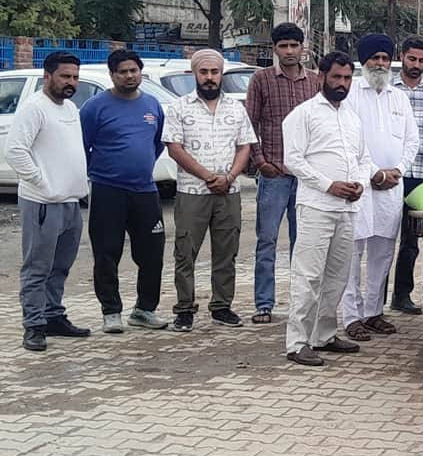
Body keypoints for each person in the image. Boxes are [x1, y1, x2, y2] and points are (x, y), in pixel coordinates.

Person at [283, 51, 369, 366]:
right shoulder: (303, 114)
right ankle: (297, 343)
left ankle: (324, 335)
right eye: (336, 77)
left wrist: (360, 183)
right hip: (316, 206)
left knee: (337, 276)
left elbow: (364, 159)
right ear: (322, 76)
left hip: (347, 208)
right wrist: (328, 184)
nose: (342, 83)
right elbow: (292, 160)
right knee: (308, 275)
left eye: (347, 78)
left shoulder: (352, 117)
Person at [163, 49, 257, 332]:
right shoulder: (179, 107)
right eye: (203, 72)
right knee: (185, 252)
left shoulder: (236, 108)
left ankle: (221, 306)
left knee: (227, 252)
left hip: (228, 191)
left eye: (214, 72)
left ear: (221, 74)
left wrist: (228, 177)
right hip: (193, 191)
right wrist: (207, 176)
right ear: (194, 74)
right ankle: (184, 309)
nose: (209, 78)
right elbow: (174, 148)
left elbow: (245, 146)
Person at [6, 52, 91, 351]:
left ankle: (54, 316)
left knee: (60, 267)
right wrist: (44, 183)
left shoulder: (70, 107)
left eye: (75, 77)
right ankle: (34, 325)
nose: (71, 82)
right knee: (37, 268)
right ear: (48, 76)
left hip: (70, 202)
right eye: (65, 76)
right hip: (43, 202)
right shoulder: (34, 108)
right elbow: (16, 152)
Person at [80, 49, 169, 334]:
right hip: (108, 189)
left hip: (145, 190)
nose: (130, 76)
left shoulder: (152, 105)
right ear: (112, 75)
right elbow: (81, 146)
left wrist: (138, 166)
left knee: (152, 251)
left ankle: (144, 309)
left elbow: (157, 143)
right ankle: (111, 311)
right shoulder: (95, 107)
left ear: (140, 72)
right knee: (107, 251)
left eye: (134, 70)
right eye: (123, 71)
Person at [340, 34, 419, 342]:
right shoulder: (351, 94)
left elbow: (412, 141)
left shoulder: (399, 97)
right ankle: (351, 316)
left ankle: (374, 312)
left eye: (385, 58)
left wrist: (397, 171)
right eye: (375, 58)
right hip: (360, 185)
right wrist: (373, 173)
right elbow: (348, 140)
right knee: (352, 252)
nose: (381, 63)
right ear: (364, 61)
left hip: (391, 187)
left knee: (383, 252)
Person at [246, 22, 321, 325]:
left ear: (303, 47)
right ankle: (264, 304)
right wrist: (261, 161)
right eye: (283, 46)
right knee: (266, 241)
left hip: (305, 177)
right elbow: (248, 125)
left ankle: (299, 305)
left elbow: (322, 126)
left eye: (294, 45)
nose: (289, 52)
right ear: (274, 49)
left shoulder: (315, 82)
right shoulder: (261, 80)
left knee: (301, 243)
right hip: (274, 173)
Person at [391, 35, 423, 314]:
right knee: (387, 240)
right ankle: (389, 298)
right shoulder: (388, 90)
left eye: (422, 60)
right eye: (412, 59)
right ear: (402, 56)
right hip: (391, 176)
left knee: (420, 240)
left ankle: (409, 294)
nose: (416, 65)